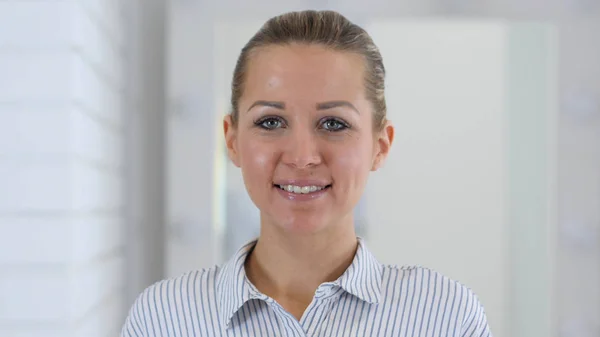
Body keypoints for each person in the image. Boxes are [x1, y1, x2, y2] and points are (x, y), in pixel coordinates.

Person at [121, 10, 492, 337]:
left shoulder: (446, 318)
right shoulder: (162, 319)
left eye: (333, 123)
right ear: (232, 141)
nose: (302, 157)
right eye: (270, 121)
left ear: (380, 146)